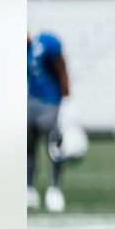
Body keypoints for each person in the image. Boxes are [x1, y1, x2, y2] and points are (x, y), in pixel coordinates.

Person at [28, 31, 71, 212]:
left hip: (51, 104)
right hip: (30, 102)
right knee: (28, 147)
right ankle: (29, 188)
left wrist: (68, 100)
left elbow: (62, 70)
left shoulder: (46, 42)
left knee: (54, 149)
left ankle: (55, 188)